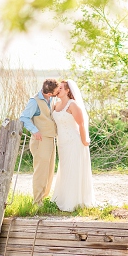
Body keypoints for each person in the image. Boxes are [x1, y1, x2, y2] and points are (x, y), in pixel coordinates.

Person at [50, 79, 95, 212]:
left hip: (74, 142)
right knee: (65, 169)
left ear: (68, 90)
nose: (58, 90)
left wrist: (84, 140)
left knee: (74, 169)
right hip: (62, 143)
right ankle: (63, 196)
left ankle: (73, 201)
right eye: (58, 88)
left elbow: (81, 124)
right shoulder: (55, 104)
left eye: (61, 88)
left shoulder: (72, 105)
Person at [19, 79, 60, 205]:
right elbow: (24, 117)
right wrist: (35, 130)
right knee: (41, 171)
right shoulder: (34, 101)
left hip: (50, 138)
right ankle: (37, 201)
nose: (58, 93)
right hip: (40, 140)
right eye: (56, 91)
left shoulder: (52, 99)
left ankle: (44, 197)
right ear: (49, 93)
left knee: (49, 170)